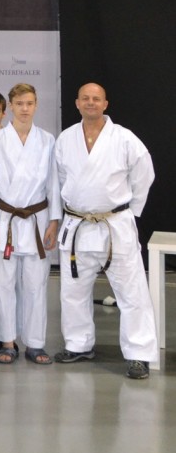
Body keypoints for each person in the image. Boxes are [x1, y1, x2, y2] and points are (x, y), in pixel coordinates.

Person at [53, 83, 157, 379]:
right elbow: (62, 178)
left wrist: (129, 210)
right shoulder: (66, 138)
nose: (90, 102)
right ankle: (78, 344)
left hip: (114, 225)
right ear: (77, 103)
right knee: (73, 291)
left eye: (96, 99)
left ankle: (138, 353)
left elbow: (144, 174)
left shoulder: (124, 138)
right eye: (85, 98)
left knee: (132, 293)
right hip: (78, 225)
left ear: (105, 104)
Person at [0, 83, 61, 366]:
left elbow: (54, 184)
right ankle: (7, 341)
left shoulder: (47, 140)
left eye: (29, 103)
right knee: (3, 284)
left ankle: (35, 343)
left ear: (36, 105)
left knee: (36, 284)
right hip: (5, 219)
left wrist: (54, 221)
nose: (25, 109)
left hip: (37, 219)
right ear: (10, 106)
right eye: (20, 104)